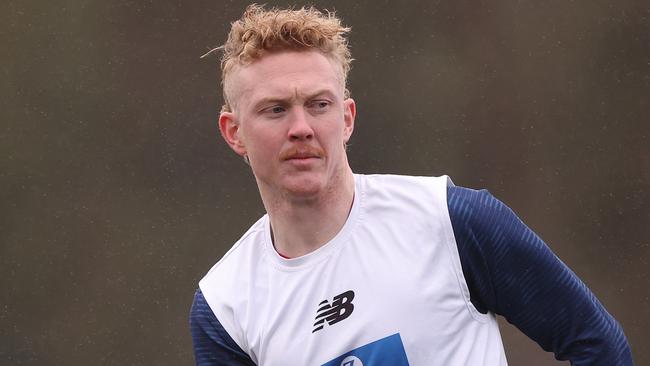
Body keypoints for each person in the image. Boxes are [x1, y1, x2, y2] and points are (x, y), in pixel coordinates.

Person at [190, 4, 632, 365]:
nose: (302, 127)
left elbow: (600, 346)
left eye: (319, 104)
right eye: (275, 109)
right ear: (234, 132)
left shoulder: (453, 220)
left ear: (346, 119)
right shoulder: (225, 307)